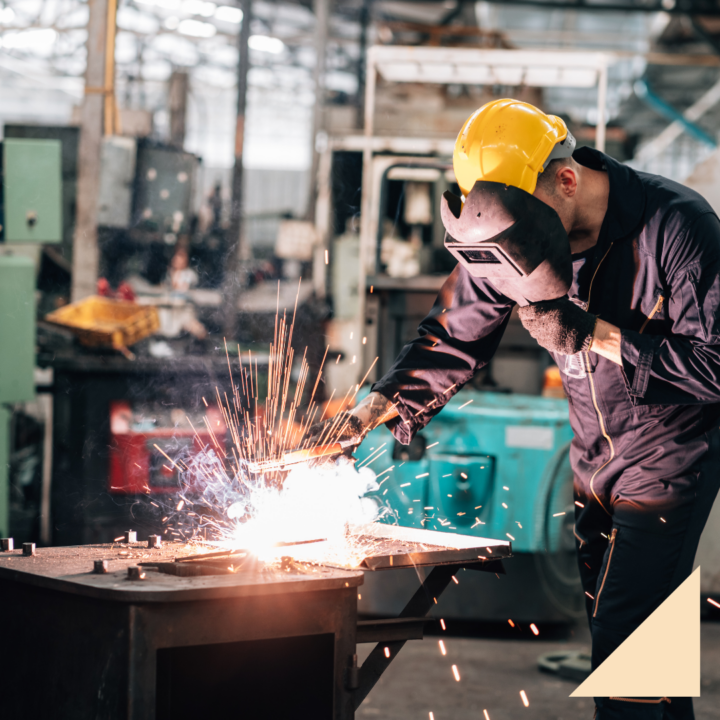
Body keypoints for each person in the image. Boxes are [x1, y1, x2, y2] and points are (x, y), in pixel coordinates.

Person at [309, 98, 720, 719]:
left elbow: (714, 366)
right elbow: (455, 333)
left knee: (624, 649)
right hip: (594, 457)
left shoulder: (678, 226)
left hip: (672, 454)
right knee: (645, 651)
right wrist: (377, 405)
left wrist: (595, 334)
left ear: (567, 179)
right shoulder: (511, 228)